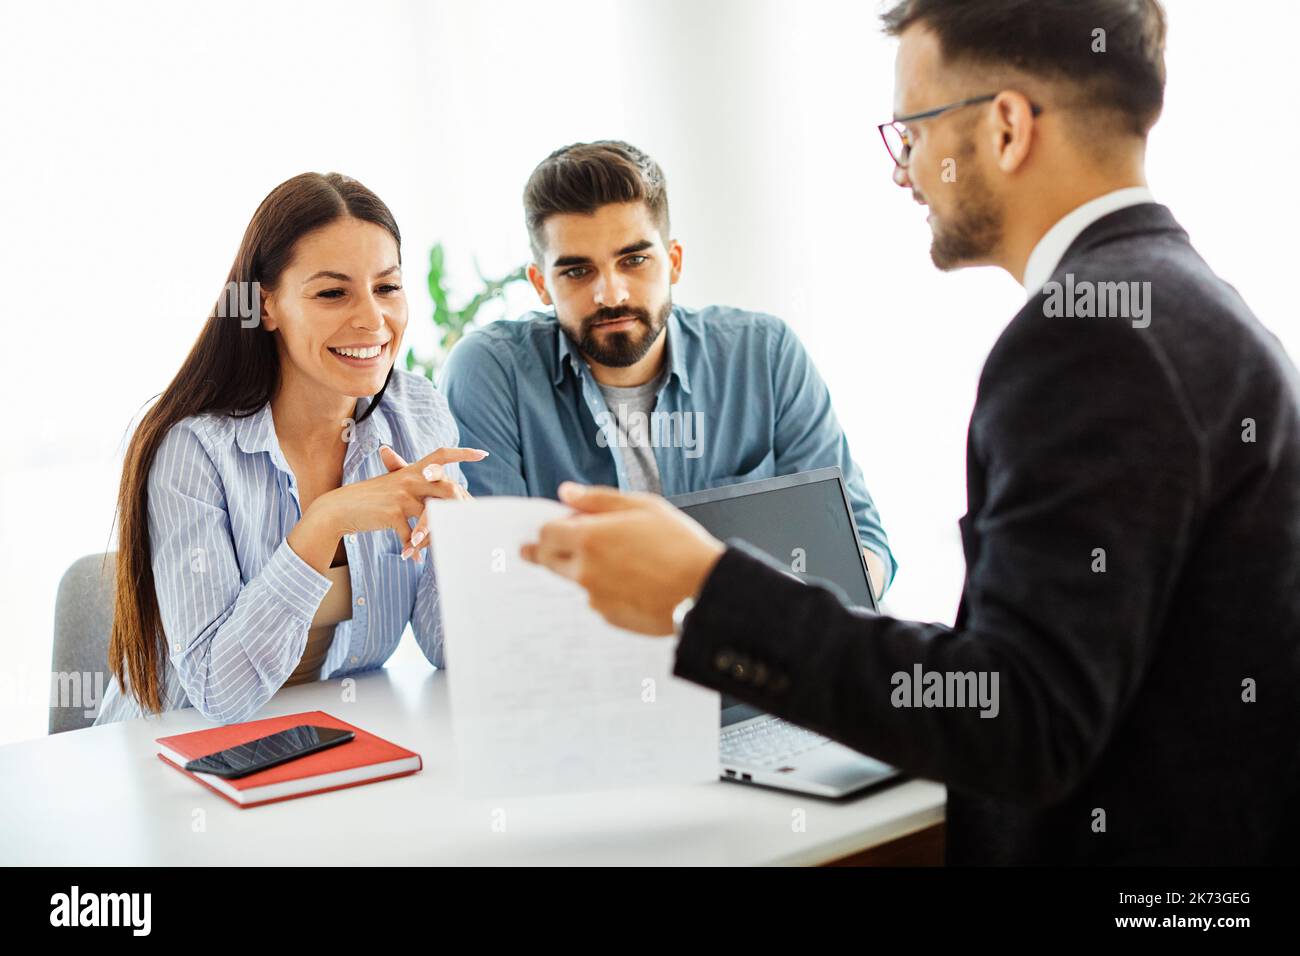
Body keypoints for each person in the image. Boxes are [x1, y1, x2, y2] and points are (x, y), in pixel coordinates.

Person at [522, 0, 1300, 865]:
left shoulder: (1088, 340)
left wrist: (709, 585)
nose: (905, 173)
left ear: (1006, 129)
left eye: (913, 131)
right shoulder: (1188, 307)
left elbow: (1020, 719)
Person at [97, 172, 486, 725]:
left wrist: (459, 545)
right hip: (174, 754)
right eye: (333, 293)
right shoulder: (196, 450)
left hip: (322, 743)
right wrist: (324, 521)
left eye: (388, 287)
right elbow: (217, 691)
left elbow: (453, 649)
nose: (373, 319)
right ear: (267, 306)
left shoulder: (416, 413)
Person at [439, 140, 895, 598]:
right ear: (541, 284)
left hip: (753, 660)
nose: (611, 294)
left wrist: (818, 622)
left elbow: (862, 547)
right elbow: (492, 589)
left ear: (673, 262)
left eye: (634, 260)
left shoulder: (765, 355)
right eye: (578, 272)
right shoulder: (490, 374)